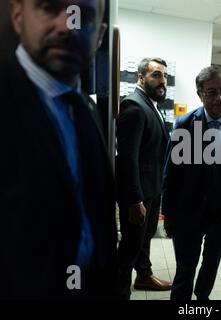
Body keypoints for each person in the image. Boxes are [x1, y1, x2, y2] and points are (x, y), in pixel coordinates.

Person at [0, 0, 118, 299]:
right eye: (51, 7)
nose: (68, 26)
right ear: (17, 16)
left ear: (100, 35)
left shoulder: (85, 108)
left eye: (84, 17)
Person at [162, 66, 221, 300]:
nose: (219, 98)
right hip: (188, 214)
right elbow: (171, 175)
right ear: (200, 95)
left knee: (210, 266)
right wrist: (168, 214)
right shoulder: (184, 125)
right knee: (185, 270)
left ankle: (202, 298)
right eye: (211, 92)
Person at [116, 57, 172, 299]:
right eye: (156, 75)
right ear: (141, 77)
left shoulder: (150, 104)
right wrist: (134, 200)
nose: (163, 81)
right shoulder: (134, 106)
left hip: (152, 189)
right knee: (130, 246)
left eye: (165, 77)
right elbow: (128, 159)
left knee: (144, 238)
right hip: (139, 195)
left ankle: (144, 276)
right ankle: (117, 292)